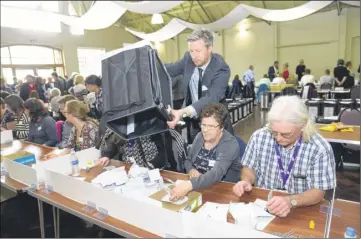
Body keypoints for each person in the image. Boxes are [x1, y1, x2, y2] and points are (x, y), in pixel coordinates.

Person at [233, 95, 336, 217]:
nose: (278, 138)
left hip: (301, 209)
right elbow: (249, 167)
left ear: (302, 126)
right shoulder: (259, 137)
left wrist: (290, 201)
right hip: (264, 205)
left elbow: (318, 191)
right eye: (274, 132)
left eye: (286, 134)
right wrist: (246, 181)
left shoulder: (319, 148)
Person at [164, 29, 233, 144]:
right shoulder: (188, 59)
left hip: (216, 125)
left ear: (210, 48)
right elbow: (170, 69)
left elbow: (211, 98)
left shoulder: (221, 68)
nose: (194, 56)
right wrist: (150, 61)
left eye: (198, 51)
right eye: (191, 51)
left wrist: (182, 112)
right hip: (195, 123)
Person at [169, 104, 241, 201]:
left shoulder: (230, 144)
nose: (205, 130)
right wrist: (191, 170)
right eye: (203, 125)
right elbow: (188, 160)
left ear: (221, 127)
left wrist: (189, 185)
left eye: (211, 126)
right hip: (200, 188)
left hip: (223, 192)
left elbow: (216, 173)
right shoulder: (200, 137)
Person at [96, 128, 184, 171]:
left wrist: (150, 165)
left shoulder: (154, 125)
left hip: (154, 171)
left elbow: (165, 155)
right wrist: (107, 156)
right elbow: (114, 144)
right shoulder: (121, 126)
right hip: (128, 171)